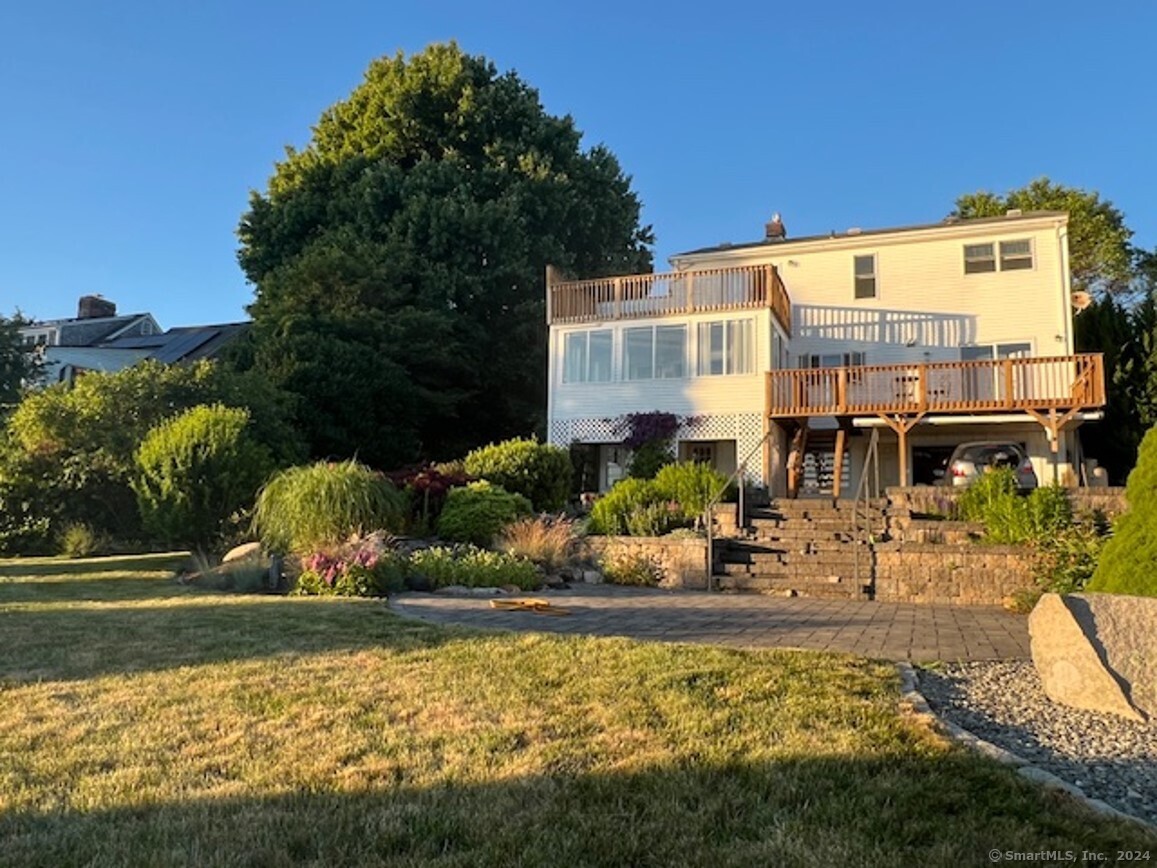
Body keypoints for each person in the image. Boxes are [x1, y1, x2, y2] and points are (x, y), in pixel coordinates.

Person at [786, 429, 805, 499]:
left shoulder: (796, 444)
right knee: (793, 479)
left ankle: (794, 494)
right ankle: (792, 494)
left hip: (796, 461)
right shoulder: (794, 444)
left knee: (796, 479)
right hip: (793, 462)